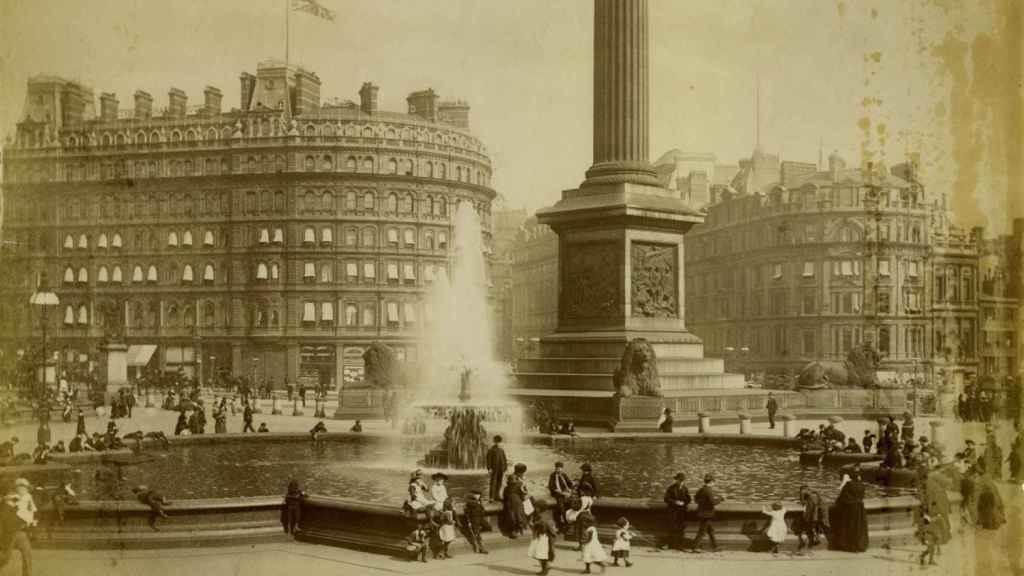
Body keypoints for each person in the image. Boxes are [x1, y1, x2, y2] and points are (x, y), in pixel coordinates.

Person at [828, 470, 868, 552]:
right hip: (860, 509)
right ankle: (859, 545)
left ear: (851, 478)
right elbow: (862, 496)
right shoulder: (862, 485)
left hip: (850, 509)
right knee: (859, 527)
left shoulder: (848, 485)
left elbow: (842, 498)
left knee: (849, 526)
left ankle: (849, 545)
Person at [0, 491, 32, 576]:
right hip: (9, 535)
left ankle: (27, 574)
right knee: (5, 558)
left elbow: (15, 520)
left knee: (27, 554)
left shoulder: (14, 509)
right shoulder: (4, 509)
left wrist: (24, 523)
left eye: (17, 500)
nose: (17, 502)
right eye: (15, 500)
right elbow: (5, 524)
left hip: (19, 533)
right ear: (7, 500)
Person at [690, 473, 723, 553]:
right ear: (711, 482)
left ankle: (715, 546)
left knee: (710, 530)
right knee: (702, 531)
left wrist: (702, 504)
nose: (714, 483)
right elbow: (713, 502)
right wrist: (720, 499)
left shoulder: (702, 489)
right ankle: (695, 547)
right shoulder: (709, 491)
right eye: (713, 482)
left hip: (701, 512)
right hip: (707, 514)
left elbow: (695, 498)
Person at [663, 472, 691, 550]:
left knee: (681, 529)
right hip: (673, 511)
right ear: (676, 480)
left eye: (682, 481)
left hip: (682, 512)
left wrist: (684, 503)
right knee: (672, 528)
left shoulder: (685, 488)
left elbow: (688, 499)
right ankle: (670, 544)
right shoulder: (671, 488)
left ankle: (679, 545)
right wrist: (675, 502)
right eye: (679, 480)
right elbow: (666, 498)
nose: (681, 482)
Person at [503, 463, 529, 537]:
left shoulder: (515, 479)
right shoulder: (516, 480)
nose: (523, 474)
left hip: (513, 499)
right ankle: (519, 527)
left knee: (514, 513)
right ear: (520, 472)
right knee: (518, 510)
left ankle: (519, 527)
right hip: (515, 499)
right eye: (523, 472)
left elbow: (505, 495)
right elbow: (521, 491)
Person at [528, 510, 557, 575]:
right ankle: (545, 568)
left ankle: (545, 570)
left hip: (543, 538)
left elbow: (540, 526)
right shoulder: (546, 516)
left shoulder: (541, 518)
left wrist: (532, 524)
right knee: (541, 555)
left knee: (541, 555)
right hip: (542, 537)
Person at [548, 461, 574, 531]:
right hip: (557, 493)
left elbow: (569, 483)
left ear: (562, 469)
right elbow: (551, 486)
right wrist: (557, 491)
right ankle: (565, 522)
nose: (558, 470)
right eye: (557, 468)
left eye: (560, 468)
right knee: (561, 506)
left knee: (572, 503)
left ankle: (570, 520)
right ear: (555, 468)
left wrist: (570, 489)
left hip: (565, 492)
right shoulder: (552, 475)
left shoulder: (564, 475)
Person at [797, 485, 824, 550]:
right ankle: (816, 538)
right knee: (814, 525)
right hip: (817, 512)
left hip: (810, 512)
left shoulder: (802, 491)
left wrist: (802, 501)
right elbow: (820, 500)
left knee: (804, 525)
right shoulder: (815, 491)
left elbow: (802, 502)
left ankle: (804, 541)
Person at [463, 490, 489, 554]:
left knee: (487, 527)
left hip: (480, 518)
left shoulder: (479, 501)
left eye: (479, 495)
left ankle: (479, 547)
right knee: (477, 534)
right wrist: (469, 521)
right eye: (476, 495)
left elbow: (482, 510)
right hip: (474, 519)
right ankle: (481, 548)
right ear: (473, 495)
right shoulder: (470, 503)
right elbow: (467, 513)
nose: (478, 496)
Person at [486, 435, 507, 502]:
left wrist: (505, 467)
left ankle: (497, 496)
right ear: (494, 442)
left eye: (499, 442)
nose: (498, 443)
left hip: (501, 469)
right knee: (493, 483)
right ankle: (491, 497)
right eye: (496, 442)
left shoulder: (501, 450)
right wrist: (489, 468)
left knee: (499, 483)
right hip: (494, 469)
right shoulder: (491, 450)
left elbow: (504, 459)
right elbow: (488, 460)